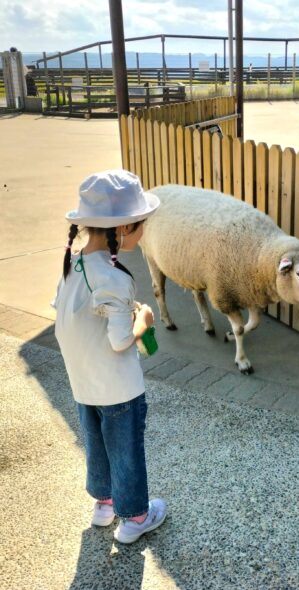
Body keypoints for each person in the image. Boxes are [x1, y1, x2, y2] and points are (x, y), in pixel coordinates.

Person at [52, 170, 167, 545]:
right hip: (118, 387)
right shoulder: (116, 277)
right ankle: (135, 517)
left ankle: (104, 505)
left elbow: (69, 316)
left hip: (84, 383)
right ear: (124, 227)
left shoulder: (74, 263)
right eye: (141, 226)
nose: (144, 233)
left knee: (97, 443)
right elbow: (120, 341)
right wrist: (144, 320)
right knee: (126, 449)